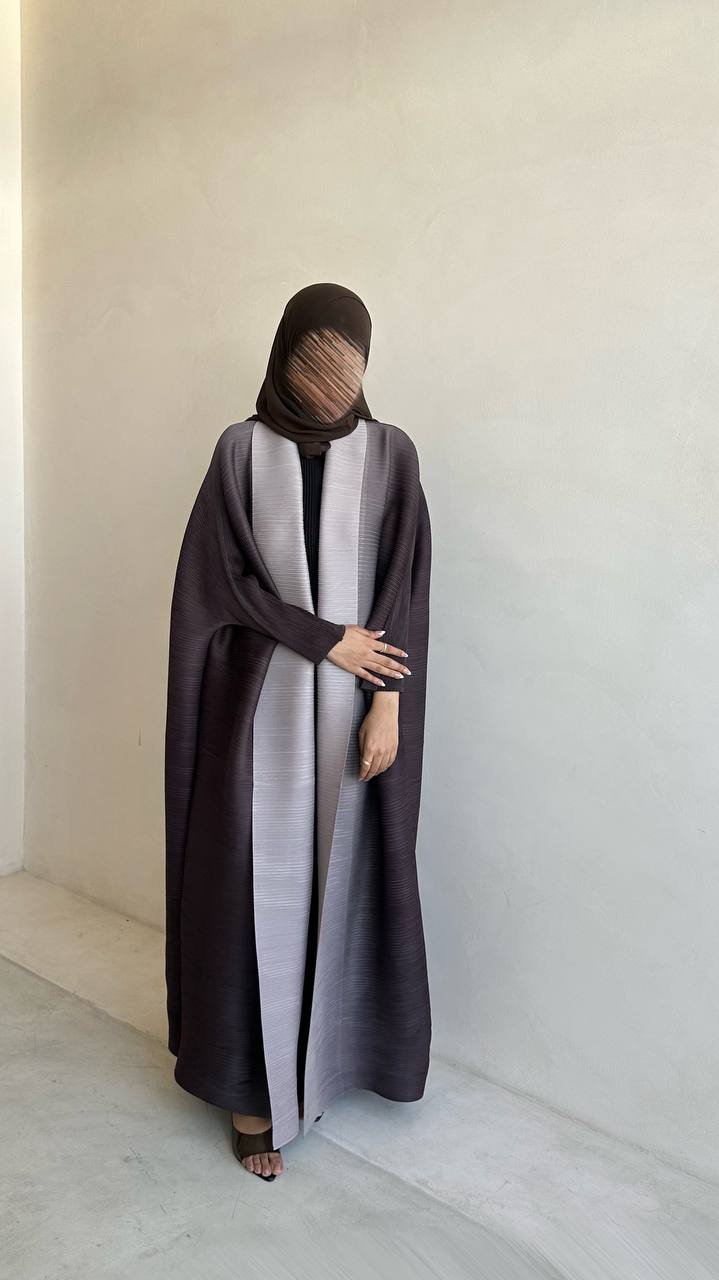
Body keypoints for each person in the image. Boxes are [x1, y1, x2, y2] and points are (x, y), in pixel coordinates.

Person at [164, 283, 432, 1182]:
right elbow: (219, 584)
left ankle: (330, 1064)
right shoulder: (240, 450)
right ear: (280, 358)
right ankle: (250, 1094)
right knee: (251, 892)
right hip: (259, 715)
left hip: (356, 711)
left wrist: (387, 701)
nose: (326, 384)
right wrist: (325, 640)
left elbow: (403, 590)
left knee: (350, 883)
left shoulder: (390, 455)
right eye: (311, 362)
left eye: (344, 365)